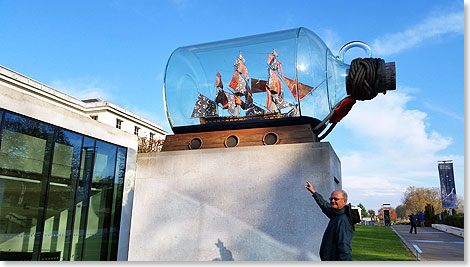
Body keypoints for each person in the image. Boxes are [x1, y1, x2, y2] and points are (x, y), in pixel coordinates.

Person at [305, 181, 354, 261]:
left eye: (336, 199)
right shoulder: (336, 214)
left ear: (344, 201)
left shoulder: (343, 220)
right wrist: (313, 192)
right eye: (331, 199)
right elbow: (325, 205)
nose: (332, 201)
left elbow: (344, 248)